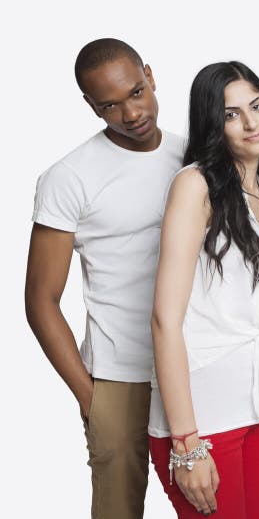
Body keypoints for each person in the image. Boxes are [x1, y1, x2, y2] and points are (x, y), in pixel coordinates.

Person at [25, 38, 183, 519]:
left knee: (210, 502)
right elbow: (41, 300)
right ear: (90, 105)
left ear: (151, 76)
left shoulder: (193, 155)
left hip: (197, 364)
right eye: (109, 105)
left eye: (136, 92)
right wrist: (91, 398)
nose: (131, 113)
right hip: (119, 375)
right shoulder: (68, 177)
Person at [148, 61, 259, 518]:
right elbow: (164, 319)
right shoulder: (194, 185)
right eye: (232, 114)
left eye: (257, 106)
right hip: (204, 410)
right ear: (212, 125)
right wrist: (187, 443)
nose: (251, 121)